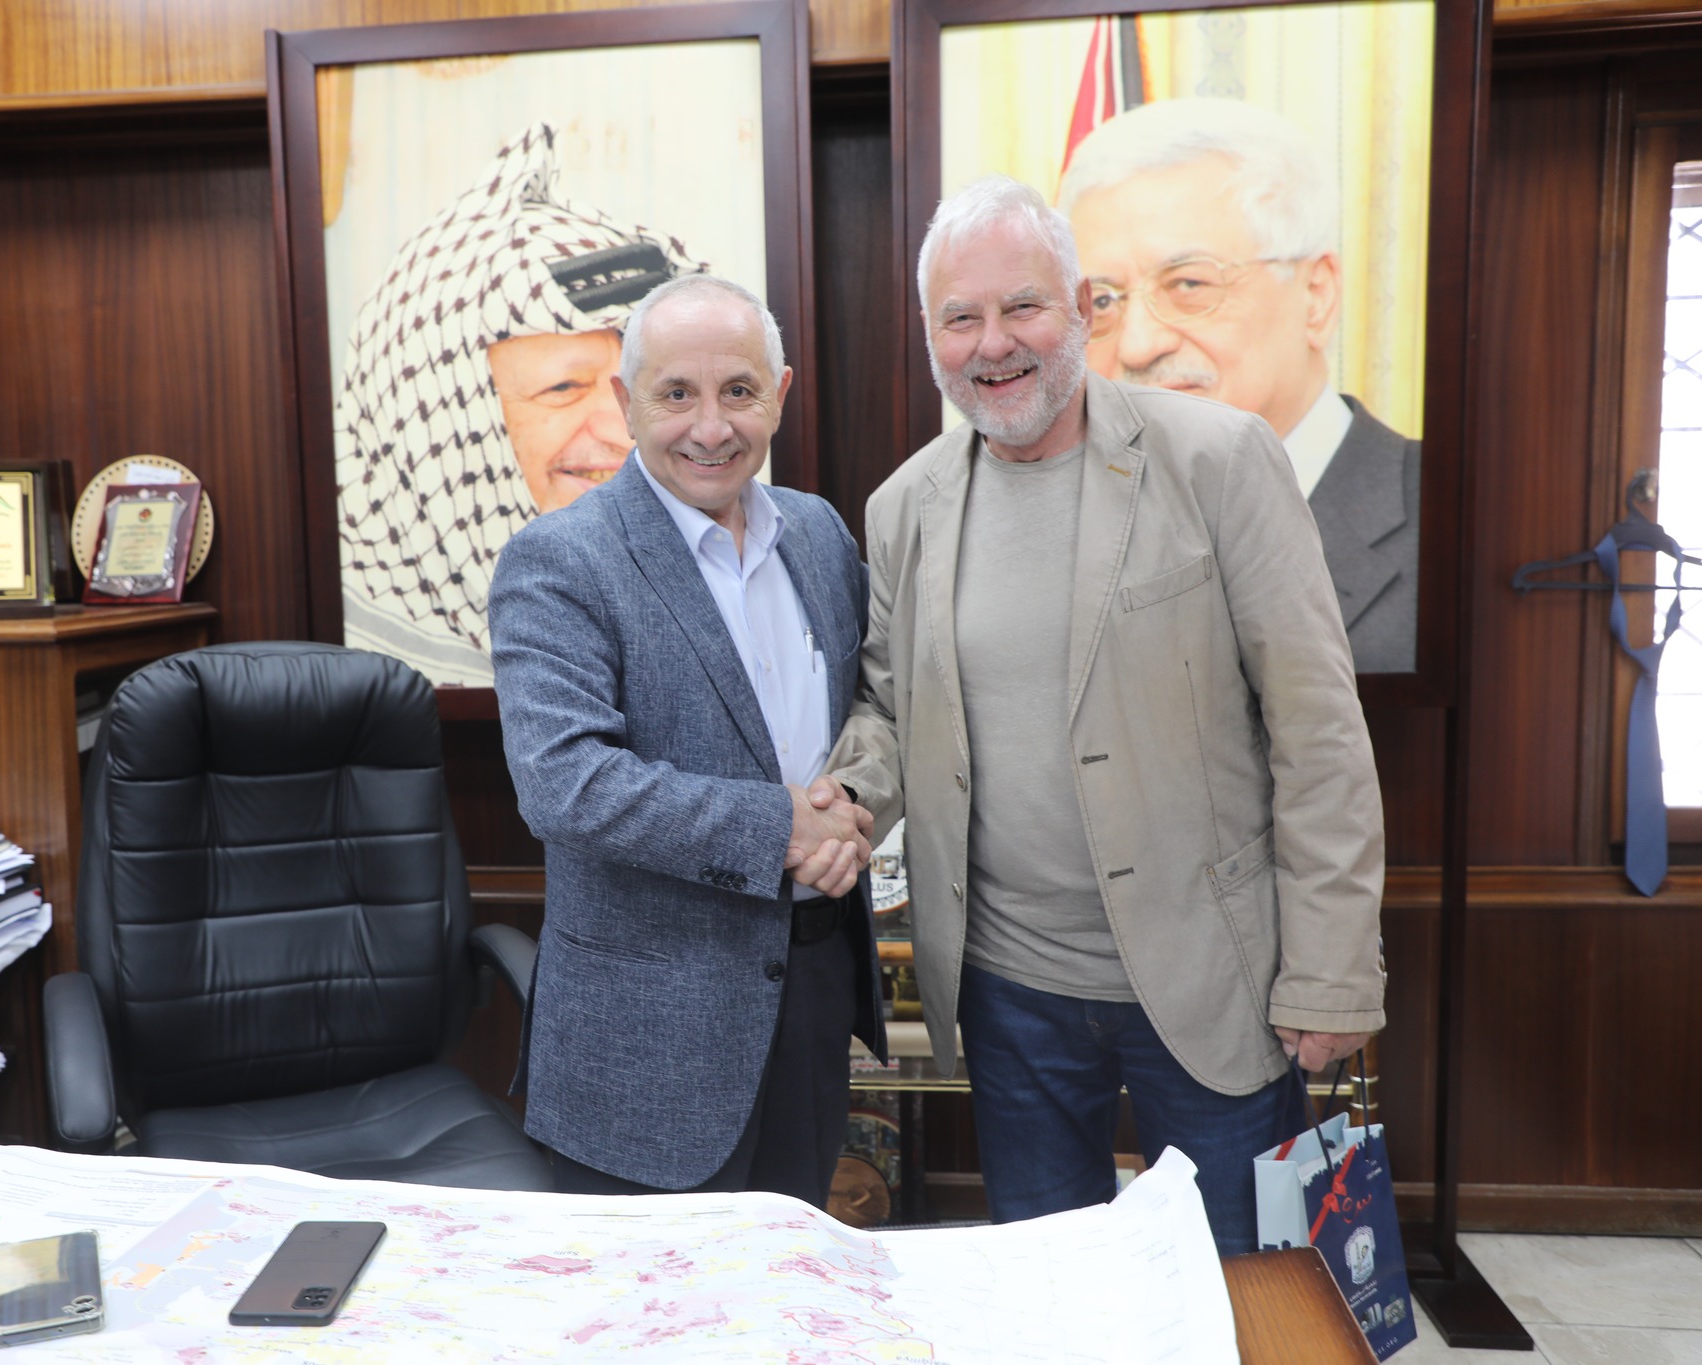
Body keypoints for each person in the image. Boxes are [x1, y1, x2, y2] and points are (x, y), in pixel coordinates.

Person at [821, 176, 1385, 1254]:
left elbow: (1316, 730)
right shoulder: (902, 509)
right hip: (1009, 992)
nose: (993, 343)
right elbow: (889, 707)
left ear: (1083, 307)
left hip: (1213, 975)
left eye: (1022, 306)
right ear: (931, 338)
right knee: (1054, 1292)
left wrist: (1330, 974)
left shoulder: (1219, 460)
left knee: (1239, 1288)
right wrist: (843, 795)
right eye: (960, 318)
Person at [491, 274, 884, 1207]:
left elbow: (872, 700)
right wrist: (782, 828)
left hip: (813, 994)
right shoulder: (560, 561)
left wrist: (853, 805)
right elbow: (566, 783)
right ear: (626, 402)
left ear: (778, 395)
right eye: (676, 394)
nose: (711, 426)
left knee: (790, 1278)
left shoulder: (819, 533)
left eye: (738, 391)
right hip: (648, 1046)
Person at [1058, 98, 1422, 673]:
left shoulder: (1456, 520)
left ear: (1316, 297)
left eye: (1188, 284)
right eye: (1102, 301)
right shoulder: (1055, 533)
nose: (1136, 345)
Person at [338, 122, 703, 684]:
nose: (627, 430)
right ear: (431, 427)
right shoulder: (362, 665)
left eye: (641, 391)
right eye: (564, 389)